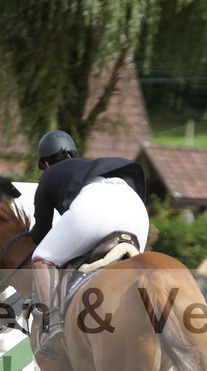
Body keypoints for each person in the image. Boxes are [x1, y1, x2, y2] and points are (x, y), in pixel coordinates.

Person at [28, 130, 149, 357]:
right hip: (136, 210)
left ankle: (51, 321)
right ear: (73, 153)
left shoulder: (48, 173)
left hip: (93, 208)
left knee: (41, 258)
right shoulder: (89, 165)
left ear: (45, 162)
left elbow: (41, 231)